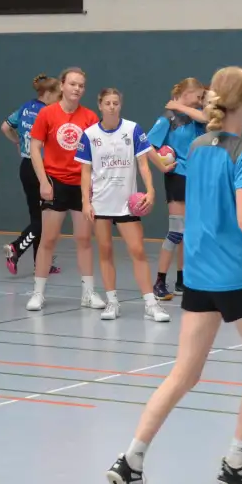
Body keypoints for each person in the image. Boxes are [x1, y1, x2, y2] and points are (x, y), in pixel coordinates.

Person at [105, 66, 242, 484]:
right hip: (237, 276)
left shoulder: (197, 146)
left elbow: (215, 184)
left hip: (196, 275)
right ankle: (238, 458)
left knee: (184, 372)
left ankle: (131, 460)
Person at [76, 88, 174, 322]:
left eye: (116, 103)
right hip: (100, 204)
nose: (112, 106)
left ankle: (151, 304)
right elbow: (85, 172)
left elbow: (143, 164)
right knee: (106, 251)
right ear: (100, 105)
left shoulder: (132, 129)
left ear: (120, 105)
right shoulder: (89, 135)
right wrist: (85, 202)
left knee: (137, 251)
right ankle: (112, 302)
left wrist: (150, 190)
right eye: (107, 103)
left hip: (126, 204)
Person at [26, 67, 105, 311]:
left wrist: (92, 187)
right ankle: (38, 293)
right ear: (62, 86)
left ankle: (88, 293)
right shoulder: (47, 114)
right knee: (48, 239)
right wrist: (43, 181)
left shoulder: (90, 117)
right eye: (72, 84)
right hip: (55, 182)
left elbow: (95, 154)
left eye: (81, 85)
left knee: (83, 239)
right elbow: (35, 148)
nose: (76, 89)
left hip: (81, 184)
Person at [147, 78, 208, 300]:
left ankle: (183, 280)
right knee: (176, 231)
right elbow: (147, 145)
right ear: (186, 92)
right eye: (199, 96)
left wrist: (181, 106)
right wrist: (161, 165)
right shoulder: (168, 118)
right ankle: (160, 281)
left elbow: (208, 117)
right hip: (178, 177)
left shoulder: (198, 118)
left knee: (189, 232)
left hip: (197, 178)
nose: (201, 101)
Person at [1, 74, 62, 275]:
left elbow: (5, 127)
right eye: (58, 95)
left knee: (37, 216)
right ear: (48, 93)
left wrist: (18, 142)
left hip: (26, 165)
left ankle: (40, 263)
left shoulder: (26, 107)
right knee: (43, 219)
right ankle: (16, 248)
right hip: (41, 169)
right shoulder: (49, 112)